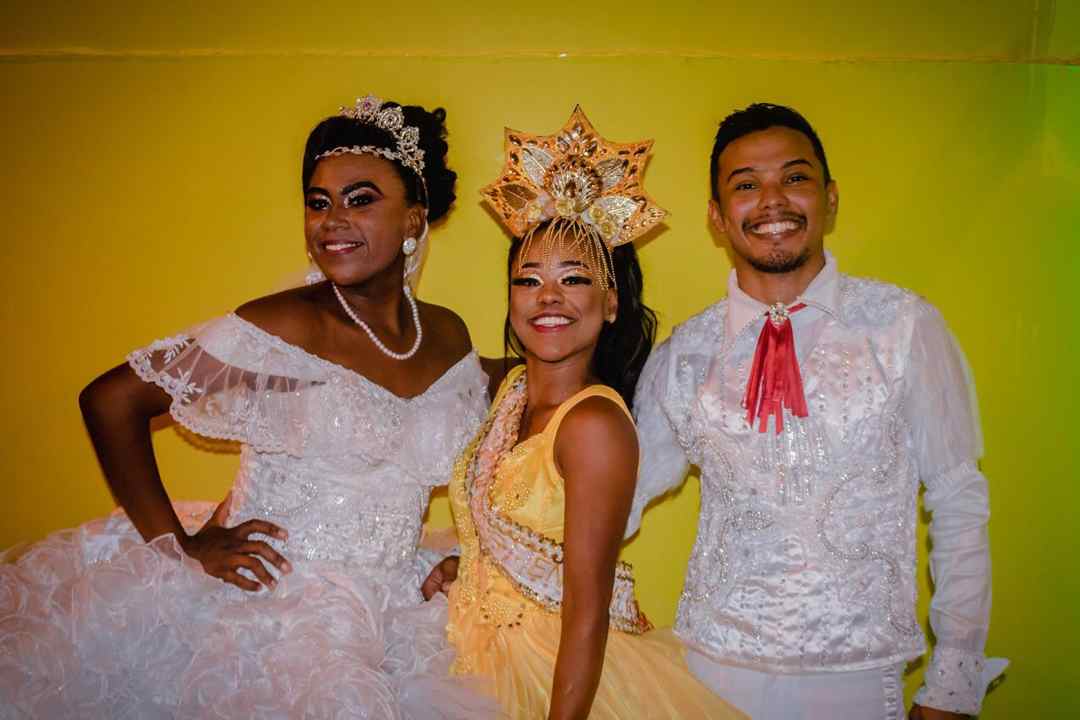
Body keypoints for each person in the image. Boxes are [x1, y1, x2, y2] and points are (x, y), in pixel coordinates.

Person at [0, 95, 500, 719]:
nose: (332, 221)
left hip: (397, 605)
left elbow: (502, 415)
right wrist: (179, 548)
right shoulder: (287, 326)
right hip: (277, 605)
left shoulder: (446, 334)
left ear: (413, 219)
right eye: (317, 203)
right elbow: (111, 400)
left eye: (360, 199)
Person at [630, 103, 1006, 720]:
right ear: (717, 217)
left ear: (830, 198)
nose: (772, 200)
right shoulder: (685, 355)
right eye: (746, 185)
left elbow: (959, 498)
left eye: (795, 177)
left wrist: (953, 682)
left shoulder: (903, 327)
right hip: (710, 672)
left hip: (859, 677)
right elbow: (615, 498)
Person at [441, 107, 746, 719]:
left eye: (574, 279)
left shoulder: (595, 425)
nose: (548, 297)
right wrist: (467, 562)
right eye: (529, 280)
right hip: (471, 657)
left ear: (610, 303)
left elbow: (586, 610)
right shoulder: (512, 390)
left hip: (550, 674)